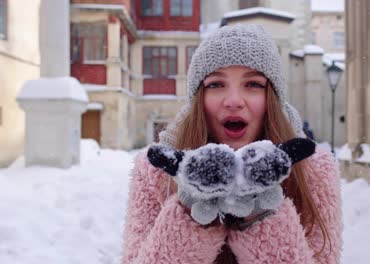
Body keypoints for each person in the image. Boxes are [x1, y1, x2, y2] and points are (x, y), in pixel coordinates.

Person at [121, 24, 342, 264]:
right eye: (215, 84)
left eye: (253, 84)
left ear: (272, 99)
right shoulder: (156, 172)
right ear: (199, 99)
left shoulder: (313, 170)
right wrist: (192, 210)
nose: (234, 101)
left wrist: (259, 214)